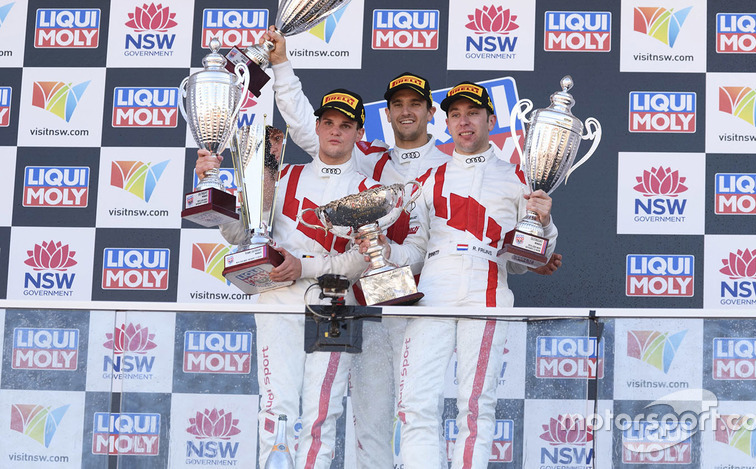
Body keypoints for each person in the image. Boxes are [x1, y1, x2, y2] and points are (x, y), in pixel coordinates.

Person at [263, 27, 562, 468]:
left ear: (428, 113)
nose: (406, 112)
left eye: (415, 104)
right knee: (375, 418)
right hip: (377, 301)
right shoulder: (371, 159)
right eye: (397, 105)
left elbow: (503, 239)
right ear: (388, 114)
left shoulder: (450, 166)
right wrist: (282, 65)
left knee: (456, 405)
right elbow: (311, 128)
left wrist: (533, 244)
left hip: (430, 296)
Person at [196, 89, 378, 469]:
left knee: (321, 413)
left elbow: (362, 261)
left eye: (345, 126)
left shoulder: (368, 191)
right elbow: (240, 235)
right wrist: (210, 186)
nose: (334, 132)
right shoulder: (279, 175)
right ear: (315, 126)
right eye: (327, 123)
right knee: (276, 405)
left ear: (359, 134)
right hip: (278, 301)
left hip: (335, 308)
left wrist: (304, 266)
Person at [384, 81, 558, 469]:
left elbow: (525, 257)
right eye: (456, 115)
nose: (464, 122)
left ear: (490, 120)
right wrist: (382, 251)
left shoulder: (519, 178)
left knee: (476, 405)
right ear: (446, 123)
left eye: (473, 113)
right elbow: (415, 251)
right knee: (414, 402)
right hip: (433, 288)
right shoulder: (431, 179)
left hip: (488, 286)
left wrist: (544, 225)